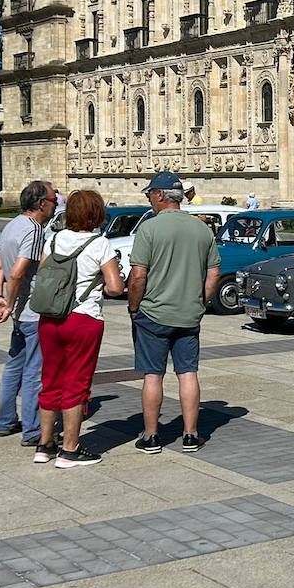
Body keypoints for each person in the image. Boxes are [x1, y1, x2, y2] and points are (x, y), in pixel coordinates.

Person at [128, 171, 221, 454]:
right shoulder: (202, 229)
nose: (149, 200)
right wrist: (201, 302)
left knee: (153, 375)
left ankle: (151, 436)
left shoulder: (149, 228)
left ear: (159, 195)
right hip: (189, 314)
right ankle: (191, 434)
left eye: (149, 195)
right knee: (188, 373)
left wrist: (134, 307)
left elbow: (138, 276)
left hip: (154, 313)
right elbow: (214, 273)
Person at [32, 190, 124, 468]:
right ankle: (70, 449)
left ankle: (44, 444)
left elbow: (44, 272)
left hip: (49, 318)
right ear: (96, 214)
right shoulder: (100, 244)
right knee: (76, 384)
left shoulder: (55, 238)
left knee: (50, 380)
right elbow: (115, 287)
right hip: (83, 319)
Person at [0, 180, 57, 444]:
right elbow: (18, 271)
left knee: (14, 367)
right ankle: (32, 430)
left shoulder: (12, 226)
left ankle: (5, 421)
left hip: (19, 313)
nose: (56, 204)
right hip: (31, 312)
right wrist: (9, 301)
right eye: (54, 200)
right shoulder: (33, 229)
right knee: (34, 371)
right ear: (41, 203)